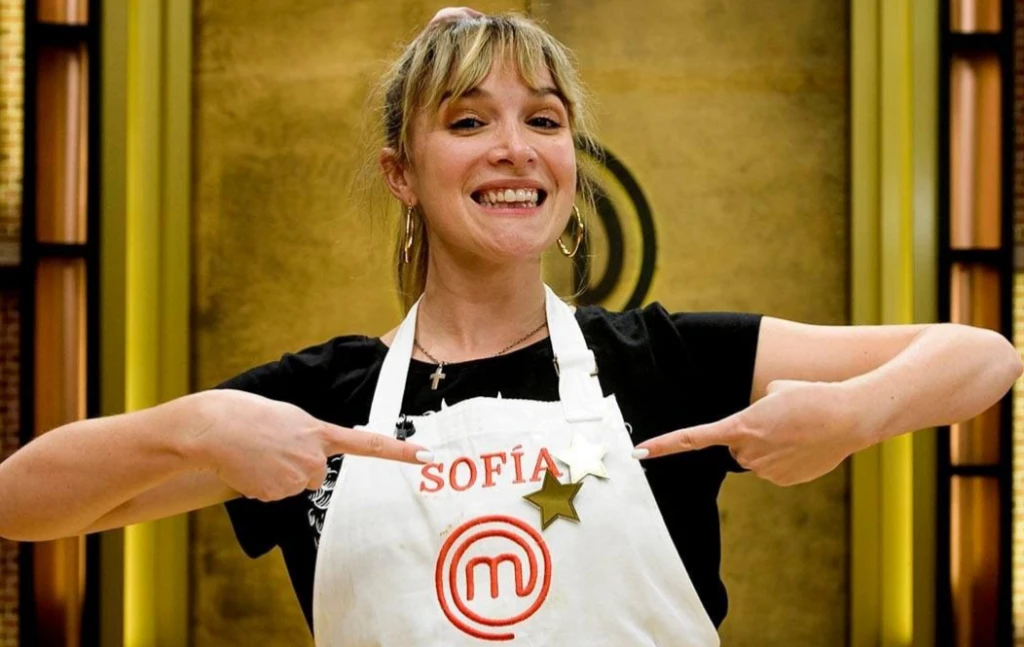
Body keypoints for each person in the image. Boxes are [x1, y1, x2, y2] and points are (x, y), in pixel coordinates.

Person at [1, 8, 1020, 646]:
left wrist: (850, 412)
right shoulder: (320, 403)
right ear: (401, 173)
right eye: (466, 120)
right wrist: (191, 424)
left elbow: (981, 356)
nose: (515, 148)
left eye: (543, 120)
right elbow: (21, 503)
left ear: (570, 165)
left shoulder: (660, 361)